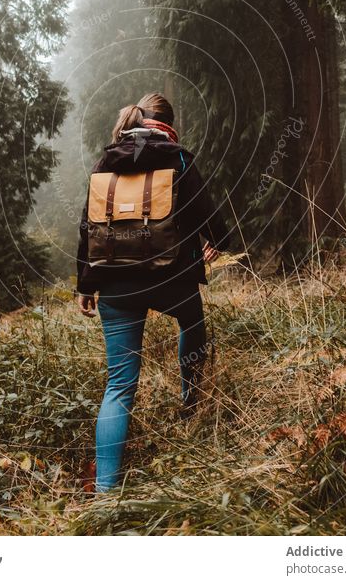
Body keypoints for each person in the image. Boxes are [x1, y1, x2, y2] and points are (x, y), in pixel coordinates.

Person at [76, 92, 230, 492]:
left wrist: (86, 284)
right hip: (171, 279)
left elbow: (87, 223)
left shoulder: (105, 160)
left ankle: (106, 492)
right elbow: (211, 217)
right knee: (192, 323)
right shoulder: (178, 157)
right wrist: (216, 241)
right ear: (169, 123)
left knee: (120, 383)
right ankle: (190, 401)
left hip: (114, 281)